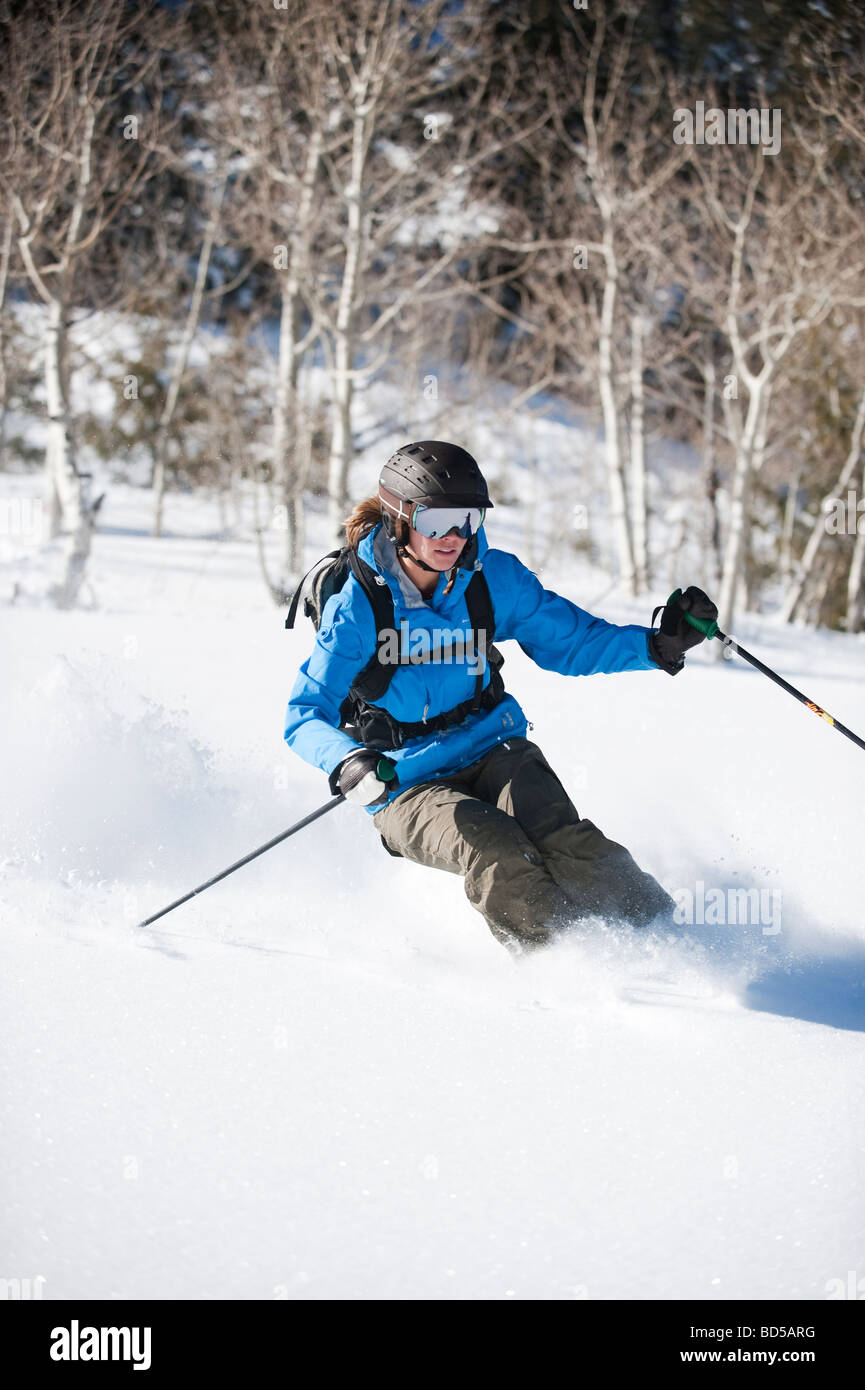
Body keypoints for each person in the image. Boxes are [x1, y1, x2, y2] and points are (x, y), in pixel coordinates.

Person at [284, 441, 717, 954]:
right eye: (435, 520)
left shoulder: (491, 578)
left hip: (494, 748)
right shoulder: (359, 605)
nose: (454, 536)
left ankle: (670, 942)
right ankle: (567, 965)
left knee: (565, 840)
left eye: (467, 518)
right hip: (405, 780)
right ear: (401, 519)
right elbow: (304, 715)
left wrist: (654, 645)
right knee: (495, 848)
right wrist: (348, 762)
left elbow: (571, 642)